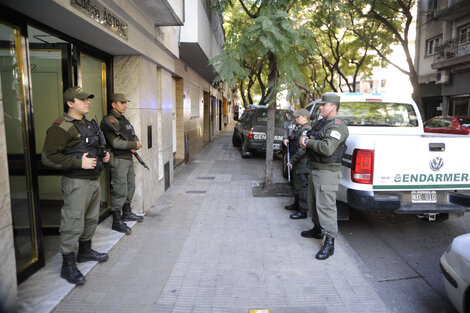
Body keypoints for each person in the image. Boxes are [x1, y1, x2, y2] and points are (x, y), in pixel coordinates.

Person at [42, 86, 110, 285]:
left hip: (92, 180)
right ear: (70, 103)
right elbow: (48, 157)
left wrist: (103, 156)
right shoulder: (62, 127)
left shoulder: (88, 124)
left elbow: (91, 148)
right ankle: (68, 265)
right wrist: (79, 163)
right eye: (82, 99)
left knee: (90, 219)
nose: (87, 101)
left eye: (88, 98)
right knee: (73, 222)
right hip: (76, 182)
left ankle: (85, 251)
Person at [299, 94, 349, 260]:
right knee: (314, 203)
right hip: (316, 169)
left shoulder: (338, 126)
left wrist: (307, 142)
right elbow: (310, 134)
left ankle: (330, 242)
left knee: (326, 207)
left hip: (327, 172)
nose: (320, 107)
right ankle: (318, 230)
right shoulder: (322, 123)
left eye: (323, 105)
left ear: (333, 107)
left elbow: (327, 148)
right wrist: (306, 138)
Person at [100, 93, 143, 235]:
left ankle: (127, 212)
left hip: (128, 157)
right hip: (118, 159)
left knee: (130, 186)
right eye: (122, 102)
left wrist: (135, 143)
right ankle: (117, 221)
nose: (125, 105)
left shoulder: (123, 119)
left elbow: (132, 134)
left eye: (125, 102)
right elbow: (115, 142)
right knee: (119, 189)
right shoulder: (109, 120)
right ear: (113, 104)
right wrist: (133, 144)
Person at [283, 108, 311, 219]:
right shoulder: (299, 127)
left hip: (302, 162)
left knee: (302, 186)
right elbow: (289, 134)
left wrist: (292, 161)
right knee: (296, 184)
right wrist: (286, 138)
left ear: (304, 117)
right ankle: (297, 204)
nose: (296, 118)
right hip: (297, 160)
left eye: (298, 117)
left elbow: (303, 149)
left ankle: (302, 210)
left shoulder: (307, 129)